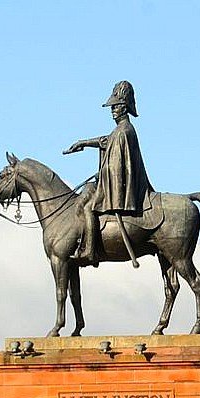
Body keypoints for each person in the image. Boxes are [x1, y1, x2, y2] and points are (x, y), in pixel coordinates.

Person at [64, 81, 153, 263]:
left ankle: (89, 250)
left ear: (124, 107)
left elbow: (117, 167)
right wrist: (84, 143)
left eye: (116, 107)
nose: (112, 110)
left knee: (88, 207)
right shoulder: (120, 130)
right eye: (112, 107)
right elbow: (105, 141)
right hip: (110, 180)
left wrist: (101, 175)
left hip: (118, 185)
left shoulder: (123, 132)